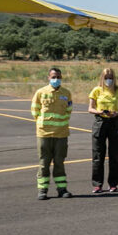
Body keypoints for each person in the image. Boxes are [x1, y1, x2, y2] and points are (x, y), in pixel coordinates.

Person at [32, 68, 73, 200]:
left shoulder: (66, 93)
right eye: (53, 77)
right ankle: (42, 190)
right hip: (44, 134)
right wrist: (42, 124)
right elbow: (35, 111)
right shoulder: (41, 93)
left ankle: (62, 189)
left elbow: (68, 110)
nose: (56, 79)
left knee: (59, 162)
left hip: (61, 134)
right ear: (48, 78)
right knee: (44, 163)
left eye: (58, 77)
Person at [88, 67, 118, 193]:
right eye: (106, 78)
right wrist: (99, 111)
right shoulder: (96, 90)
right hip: (100, 122)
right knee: (98, 154)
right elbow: (90, 108)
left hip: (114, 122)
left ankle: (113, 183)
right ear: (102, 78)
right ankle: (97, 184)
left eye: (110, 78)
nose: (108, 80)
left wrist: (117, 113)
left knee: (114, 155)